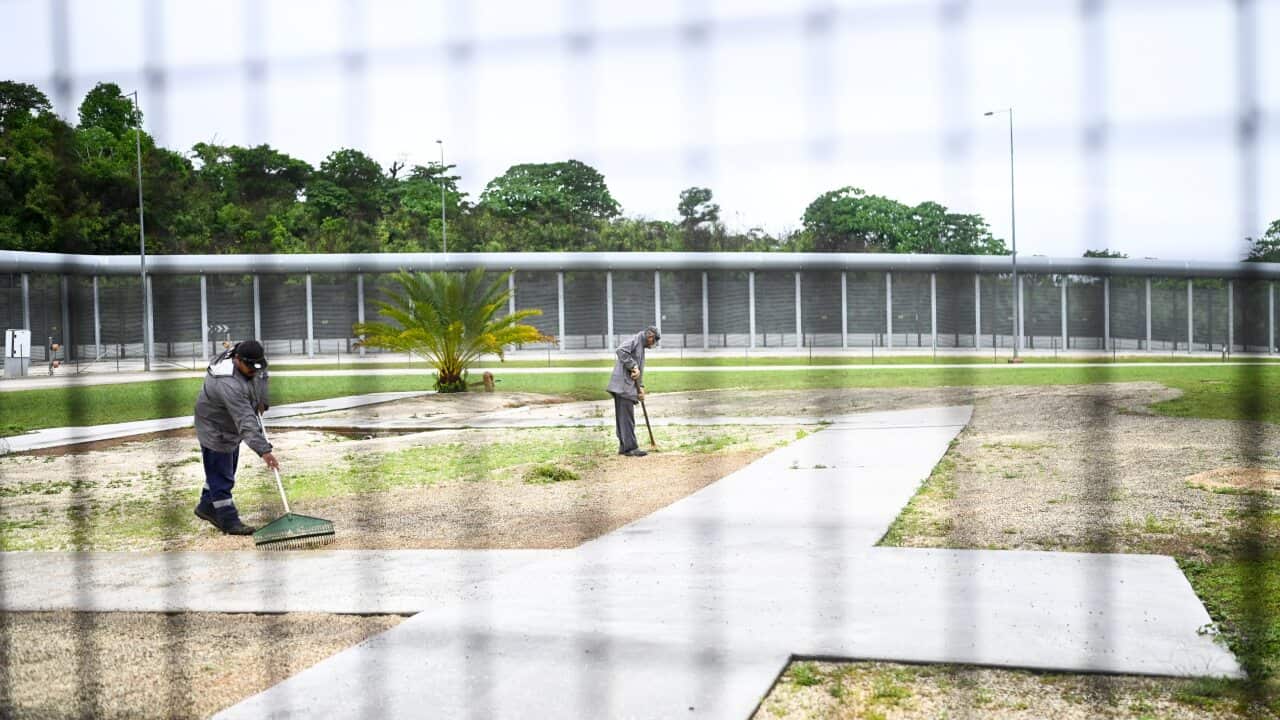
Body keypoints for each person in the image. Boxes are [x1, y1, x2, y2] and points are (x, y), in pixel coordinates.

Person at [193, 340, 278, 535]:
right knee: (222, 476)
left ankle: (206, 506)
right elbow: (245, 420)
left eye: (257, 366)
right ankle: (228, 520)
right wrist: (264, 451)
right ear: (237, 360)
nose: (254, 371)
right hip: (214, 426)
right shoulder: (228, 383)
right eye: (249, 367)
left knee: (224, 469)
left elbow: (262, 377)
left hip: (230, 425)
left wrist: (262, 400)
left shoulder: (252, 362)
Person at [607, 326, 659, 457]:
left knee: (623, 418)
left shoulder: (640, 345)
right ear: (650, 336)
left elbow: (638, 371)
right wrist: (633, 365)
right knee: (627, 418)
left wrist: (641, 387)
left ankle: (624, 447)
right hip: (623, 386)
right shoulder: (635, 340)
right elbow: (620, 351)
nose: (653, 344)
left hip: (625, 386)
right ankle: (631, 448)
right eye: (654, 341)